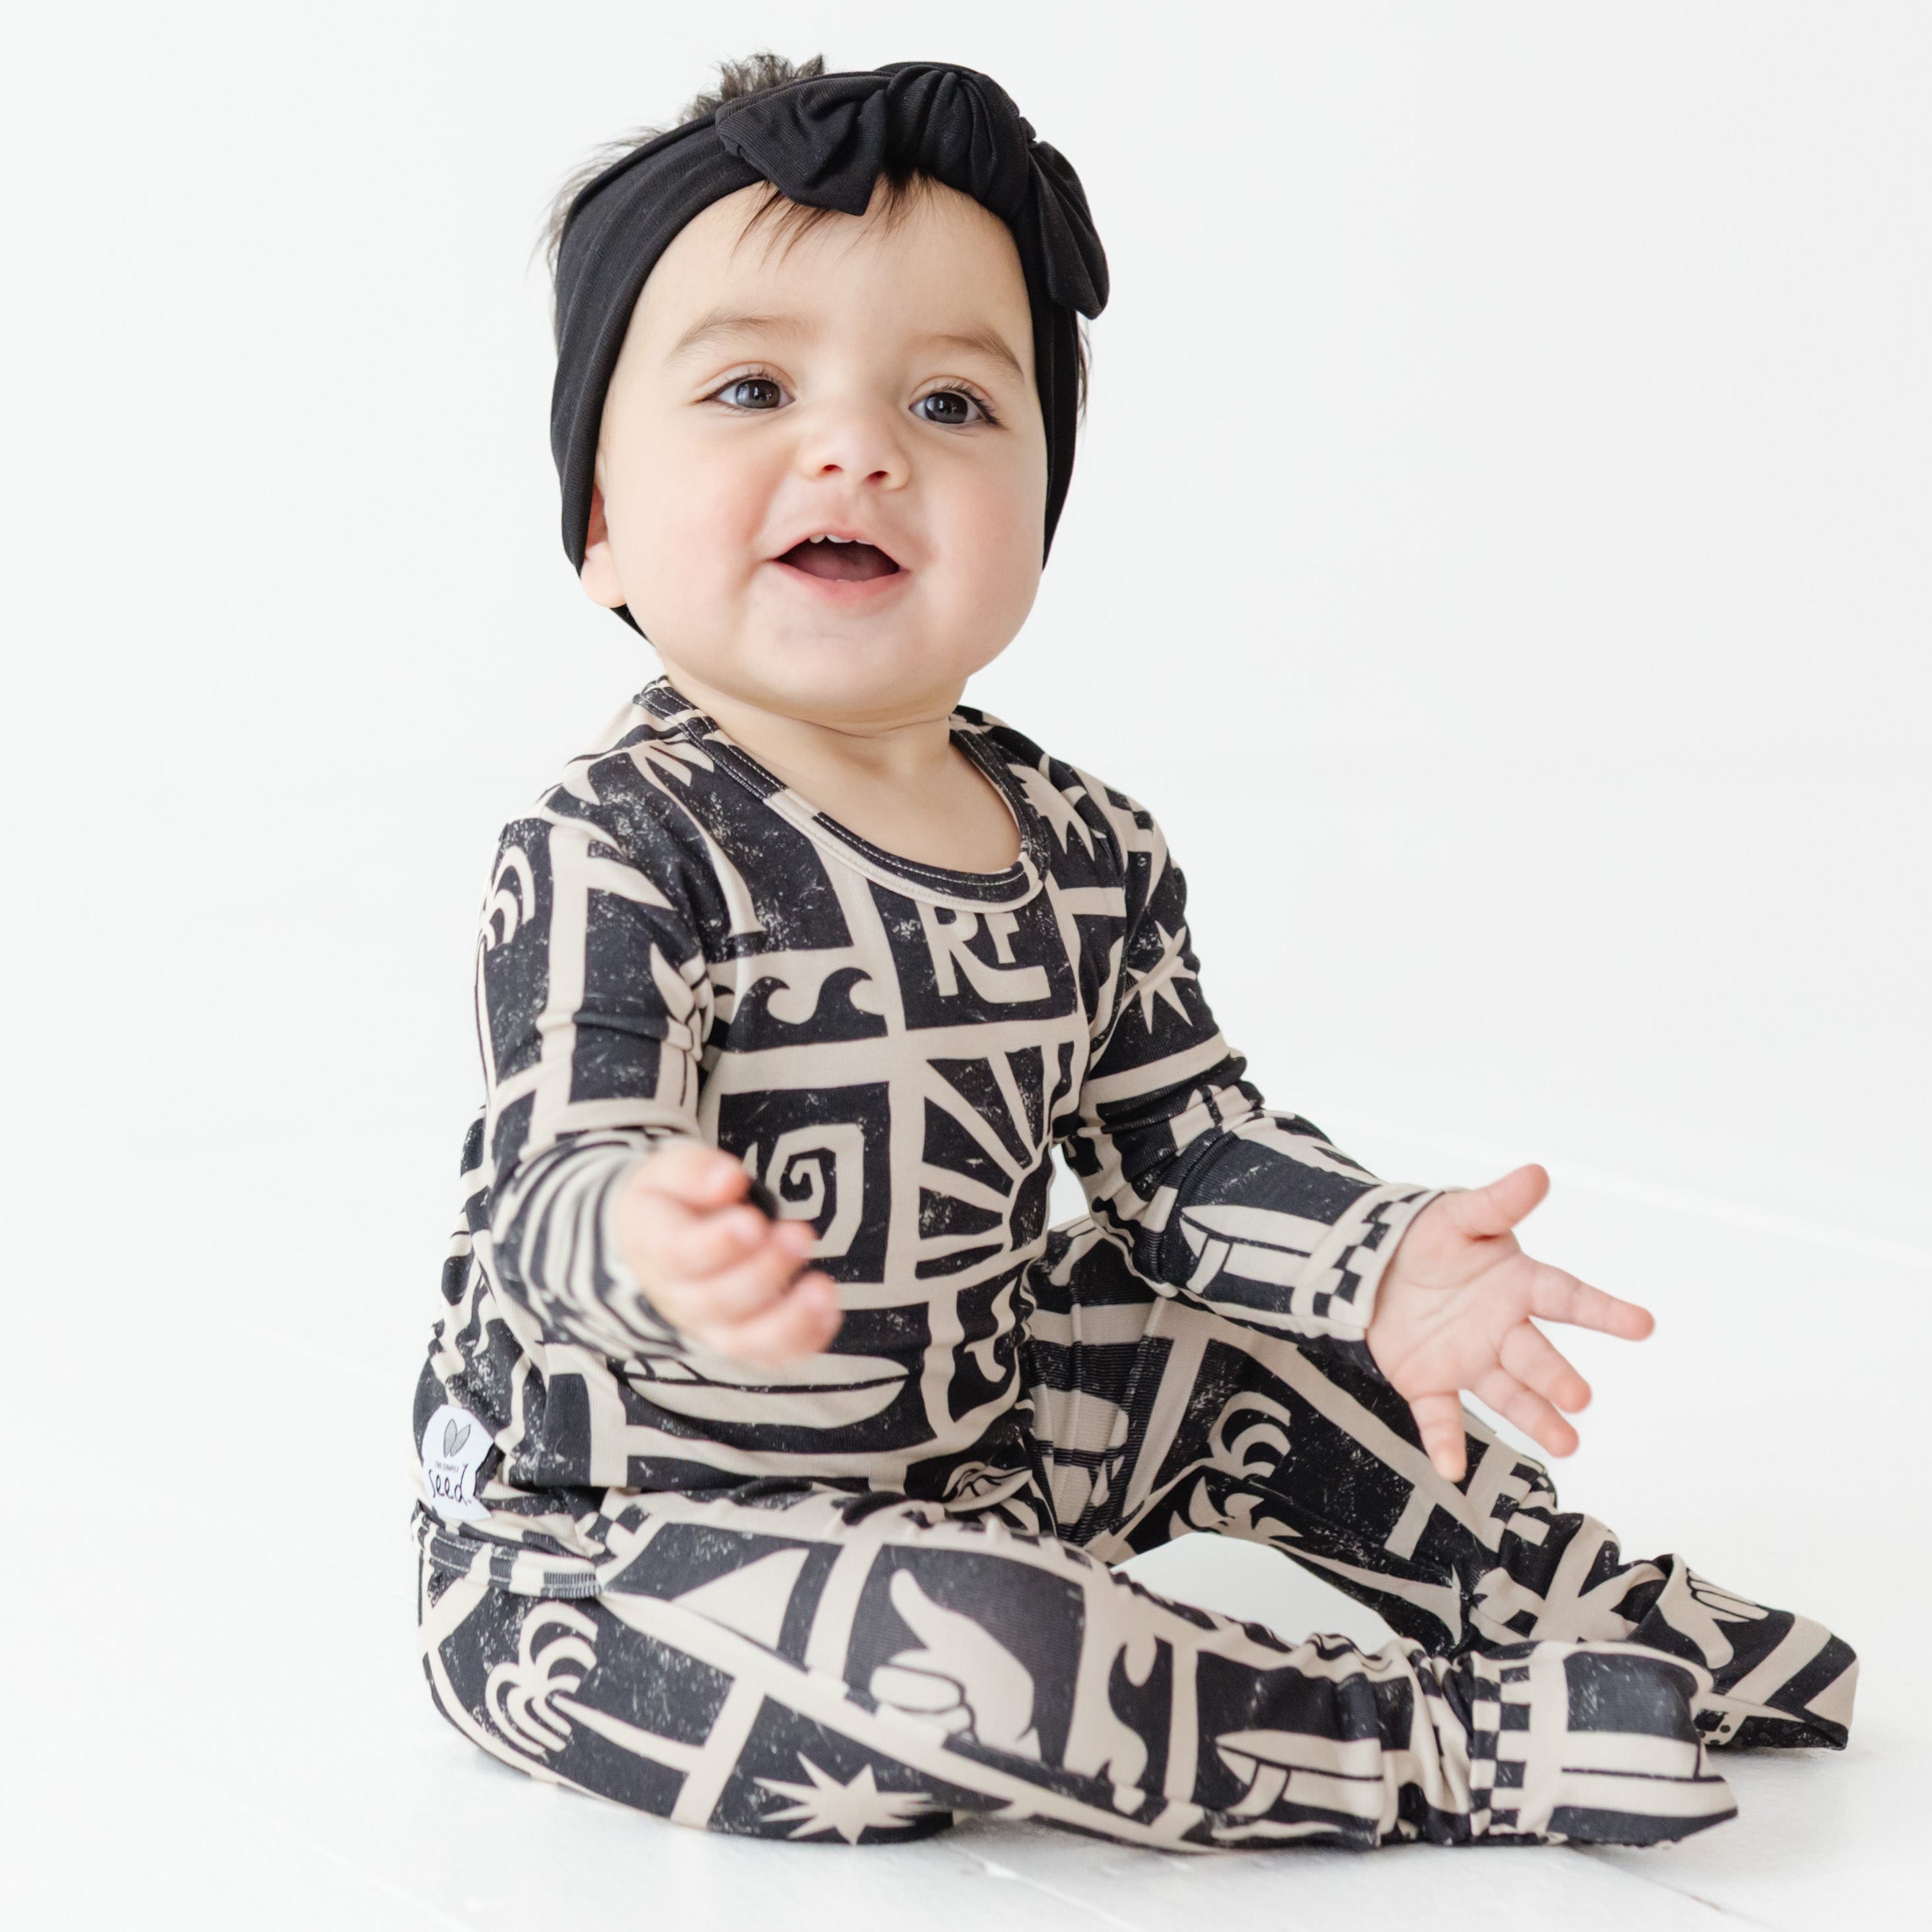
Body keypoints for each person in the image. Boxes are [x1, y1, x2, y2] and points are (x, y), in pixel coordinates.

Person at [412, 53, 1855, 1851]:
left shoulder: (1090, 848)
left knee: (1264, 1345)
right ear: (604, 522)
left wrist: (1378, 1257)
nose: (857, 443)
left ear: (1040, 517)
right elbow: (558, 1162)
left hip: (987, 1436)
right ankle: (1415, 1747)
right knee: (976, 1660)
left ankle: (1579, 1609)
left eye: (951, 400)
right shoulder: (618, 839)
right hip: (626, 1539)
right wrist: (642, 1231)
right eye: (757, 384)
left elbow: (1183, 1161)